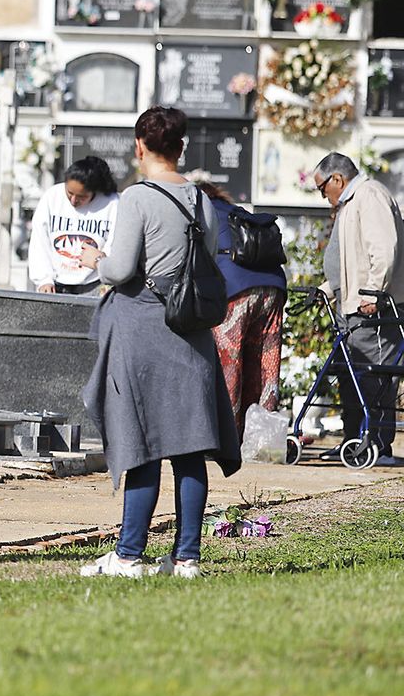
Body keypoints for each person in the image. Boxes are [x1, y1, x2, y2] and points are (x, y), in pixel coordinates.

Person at [77, 107, 240, 579]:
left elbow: (122, 268)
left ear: (139, 147)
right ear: (181, 148)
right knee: (190, 447)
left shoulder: (137, 199)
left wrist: (96, 258)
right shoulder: (202, 201)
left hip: (145, 332)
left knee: (142, 443)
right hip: (191, 334)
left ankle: (129, 554)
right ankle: (187, 557)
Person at [312, 152, 404, 467]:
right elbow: (349, 261)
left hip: (372, 310)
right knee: (351, 379)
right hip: (353, 308)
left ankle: (376, 446)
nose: (323, 195)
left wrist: (374, 292)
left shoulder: (370, 195)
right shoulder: (351, 202)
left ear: (337, 179)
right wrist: (326, 288)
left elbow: (384, 248)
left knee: (374, 377)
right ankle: (354, 443)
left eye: (322, 188)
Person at [194, 179, 286, 438]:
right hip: (273, 287)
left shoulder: (201, 212)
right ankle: (263, 437)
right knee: (266, 364)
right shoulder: (238, 213)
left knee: (230, 363)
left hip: (234, 290)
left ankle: (227, 437)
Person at [27, 156, 120, 294]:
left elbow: (115, 242)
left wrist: (105, 273)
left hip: (95, 283)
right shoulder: (52, 196)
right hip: (55, 283)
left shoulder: (112, 203)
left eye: (82, 197)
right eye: (69, 193)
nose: (73, 200)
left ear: (94, 191)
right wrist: (44, 279)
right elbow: (39, 241)